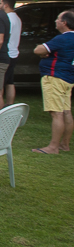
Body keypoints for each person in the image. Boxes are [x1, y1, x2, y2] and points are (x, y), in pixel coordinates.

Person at [32, 9, 74, 155]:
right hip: (68, 78)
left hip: (54, 77)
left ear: (64, 23)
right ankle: (64, 144)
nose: (55, 21)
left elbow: (38, 50)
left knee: (56, 114)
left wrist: (45, 53)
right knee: (66, 112)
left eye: (58, 19)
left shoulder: (62, 38)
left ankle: (53, 147)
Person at [1, 0, 22, 107]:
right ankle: (9, 104)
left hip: (7, 53)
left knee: (0, 83)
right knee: (9, 81)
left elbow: (5, 36)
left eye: (0, 3)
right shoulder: (17, 18)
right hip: (14, 52)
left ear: (6, 5)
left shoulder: (8, 18)